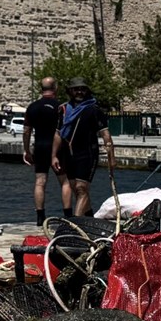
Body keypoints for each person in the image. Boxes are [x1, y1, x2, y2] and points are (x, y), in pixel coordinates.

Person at [51, 77, 114, 217]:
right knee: (76, 188)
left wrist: (112, 158)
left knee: (81, 188)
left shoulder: (94, 110)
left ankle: (75, 223)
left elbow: (106, 135)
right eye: (76, 89)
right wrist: (54, 155)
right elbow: (58, 134)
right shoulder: (63, 110)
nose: (79, 92)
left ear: (87, 91)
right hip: (69, 154)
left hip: (88, 153)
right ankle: (89, 217)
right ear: (70, 91)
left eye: (82, 89)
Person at [23, 77, 71, 225]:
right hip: (58, 147)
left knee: (40, 182)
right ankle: (68, 217)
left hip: (40, 146)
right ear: (55, 88)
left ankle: (40, 217)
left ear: (41, 88)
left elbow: (26, 131)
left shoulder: (32, 107)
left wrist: (26, 150)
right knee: (65, 182)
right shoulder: (61, 107)